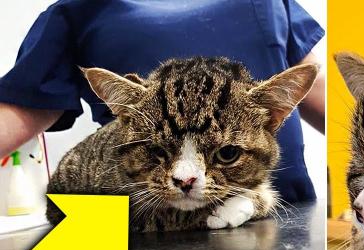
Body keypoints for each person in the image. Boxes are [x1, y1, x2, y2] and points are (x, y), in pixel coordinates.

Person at [0, 0, 325, 203]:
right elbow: (17, 112)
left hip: (284, 219)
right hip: (147, 229)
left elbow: (322, 91)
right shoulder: (75, 10)